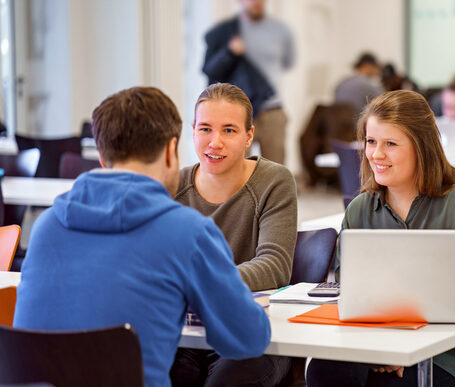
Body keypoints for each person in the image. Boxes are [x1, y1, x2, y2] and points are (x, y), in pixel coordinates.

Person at [13, 87, 270, 387]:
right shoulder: (187, 232)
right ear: (170, 151)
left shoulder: (46, 227)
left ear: (101, 155)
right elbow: (247, 339)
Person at [306, 90, 455, 387]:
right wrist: (384, 348)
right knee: (324, 369)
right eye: (371, 142)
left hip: (444, 354)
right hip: (375, 343)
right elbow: (353, 294)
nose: (376, 154)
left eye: (390, 144)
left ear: (421, 147)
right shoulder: (360, 210)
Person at [170, 83, 297, 387]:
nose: (215, 142)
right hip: (187, 333)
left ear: (249, 136)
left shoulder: (273, 181)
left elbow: (275, 264)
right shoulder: (173, 186)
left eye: (229, 130)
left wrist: (203, 284)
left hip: (251, 334)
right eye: (205, 129)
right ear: (192, 131)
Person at [202, 0, 294, 164]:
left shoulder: (279, 31)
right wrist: (230, 52)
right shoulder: (224, 33)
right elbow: (209, 70)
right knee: (235, 169)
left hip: (271, 111)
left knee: (277, 172)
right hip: (237, 113)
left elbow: (288, 62)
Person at [334, 52, 385, 117]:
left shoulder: (341, 84)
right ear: (368, 65)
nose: (378, 71)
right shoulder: (368, 84)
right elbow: (386, 102)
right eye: (376, 67)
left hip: (342, 125)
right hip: (358, 124)